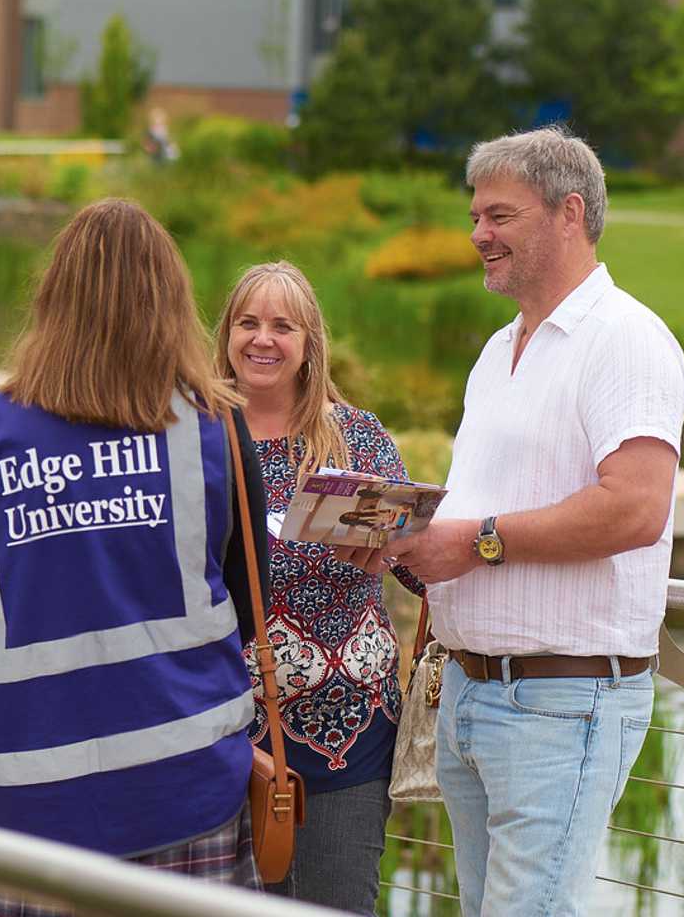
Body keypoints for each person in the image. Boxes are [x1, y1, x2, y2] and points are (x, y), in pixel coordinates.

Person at [352, 127, 684, 916]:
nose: (478, 234)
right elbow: (486, 505)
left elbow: (636, 508)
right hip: (472, 695)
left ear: (570, 212)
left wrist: (472, 543)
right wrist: (410, 546)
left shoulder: (625, 341)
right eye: (476, 216)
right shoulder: (501, 348)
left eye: (499, 216)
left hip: (561, 704)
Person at [0, 199, 271, 916]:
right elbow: (249, 596)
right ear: (171, 302)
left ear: (52, 300)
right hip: (185, 797)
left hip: (22, 807)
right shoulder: (213, 430)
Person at [212, 260, 423, 913]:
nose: (262, 339)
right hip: (221, 734)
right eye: (248, 323)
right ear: (226, 335)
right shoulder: (195, 434)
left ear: (309, 344)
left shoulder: (356, 438)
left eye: (283, 326)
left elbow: (418, 564)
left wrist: (391, 548)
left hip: (348, 735)